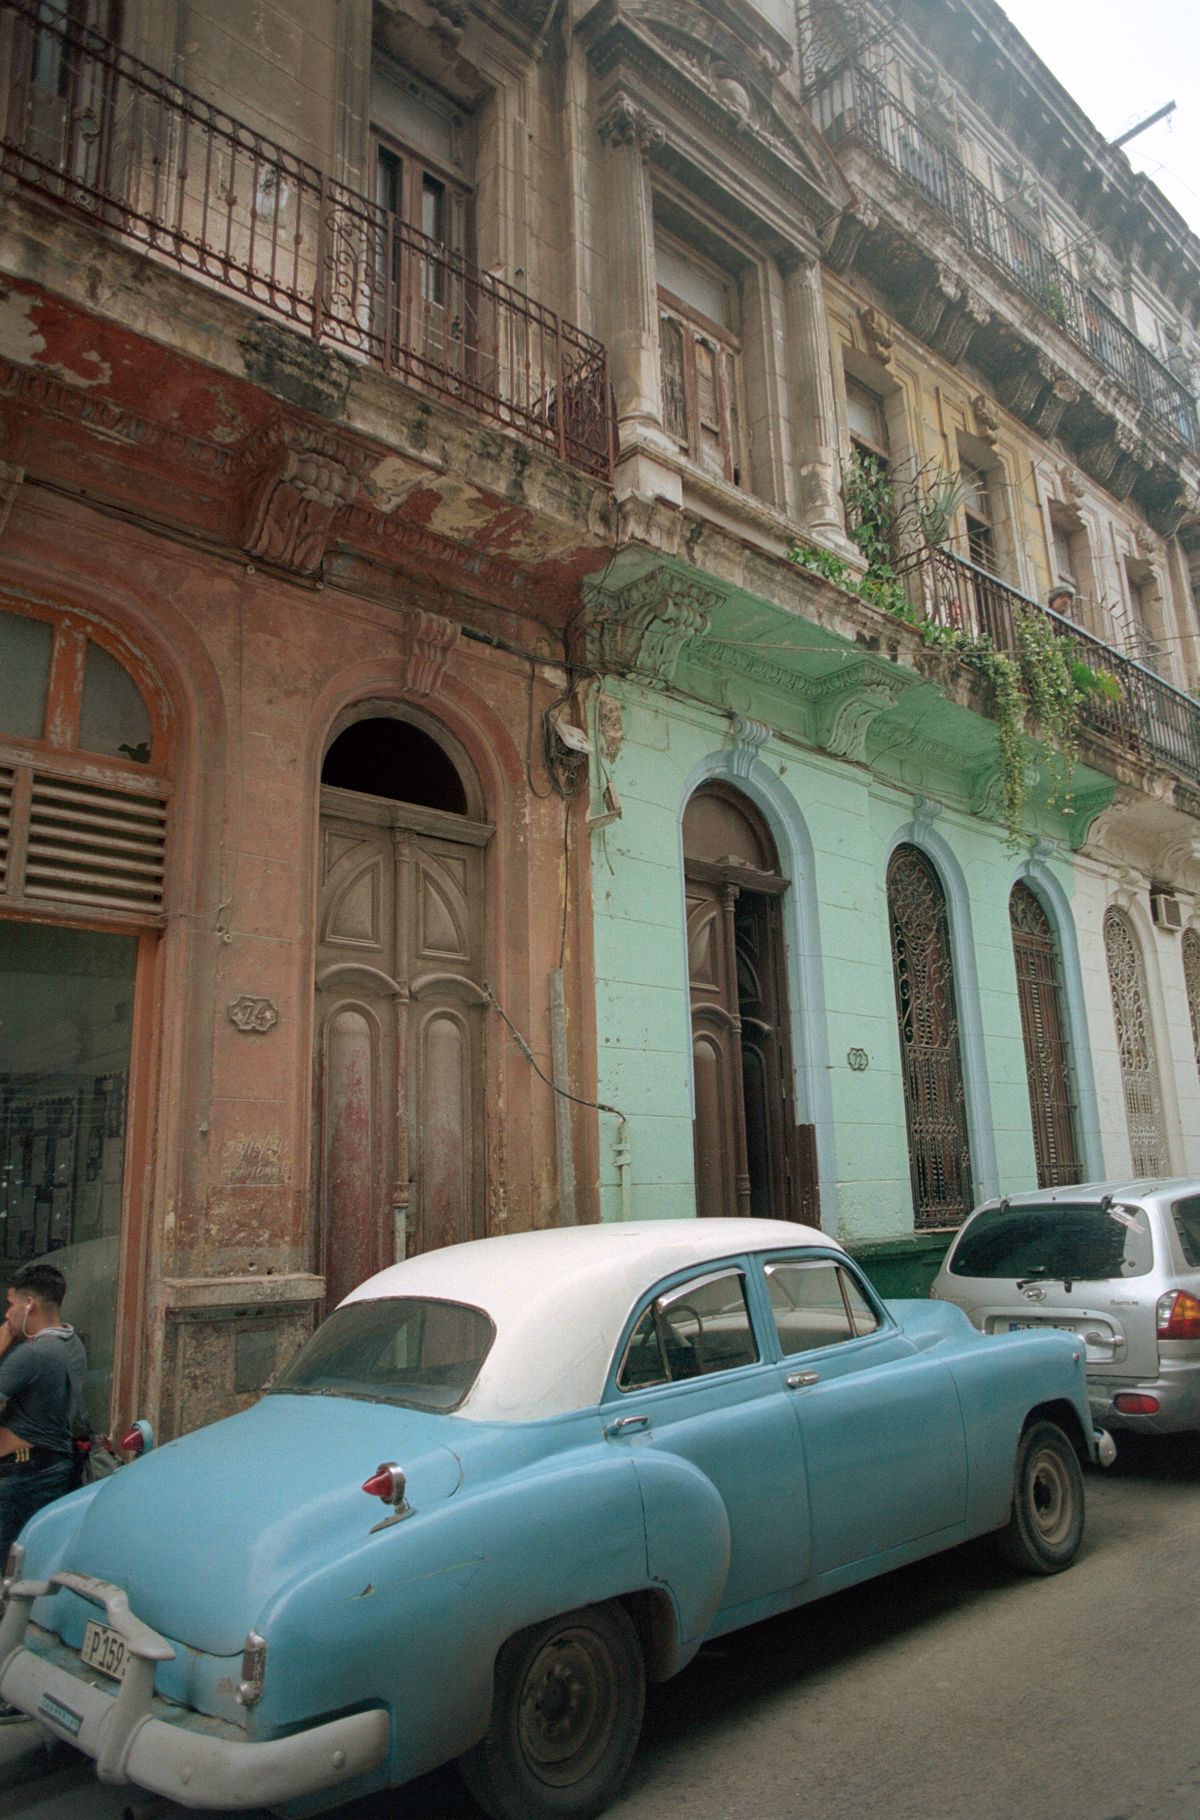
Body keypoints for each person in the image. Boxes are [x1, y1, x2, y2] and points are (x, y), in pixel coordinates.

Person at [0, 1262, 88, 1566]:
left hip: (21, 1476)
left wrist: (2, 1342)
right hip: (50, 1468)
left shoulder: (32, 1355)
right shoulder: (71, 1342)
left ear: (30, 1304)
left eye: (11, 1306)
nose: (7, 1315)